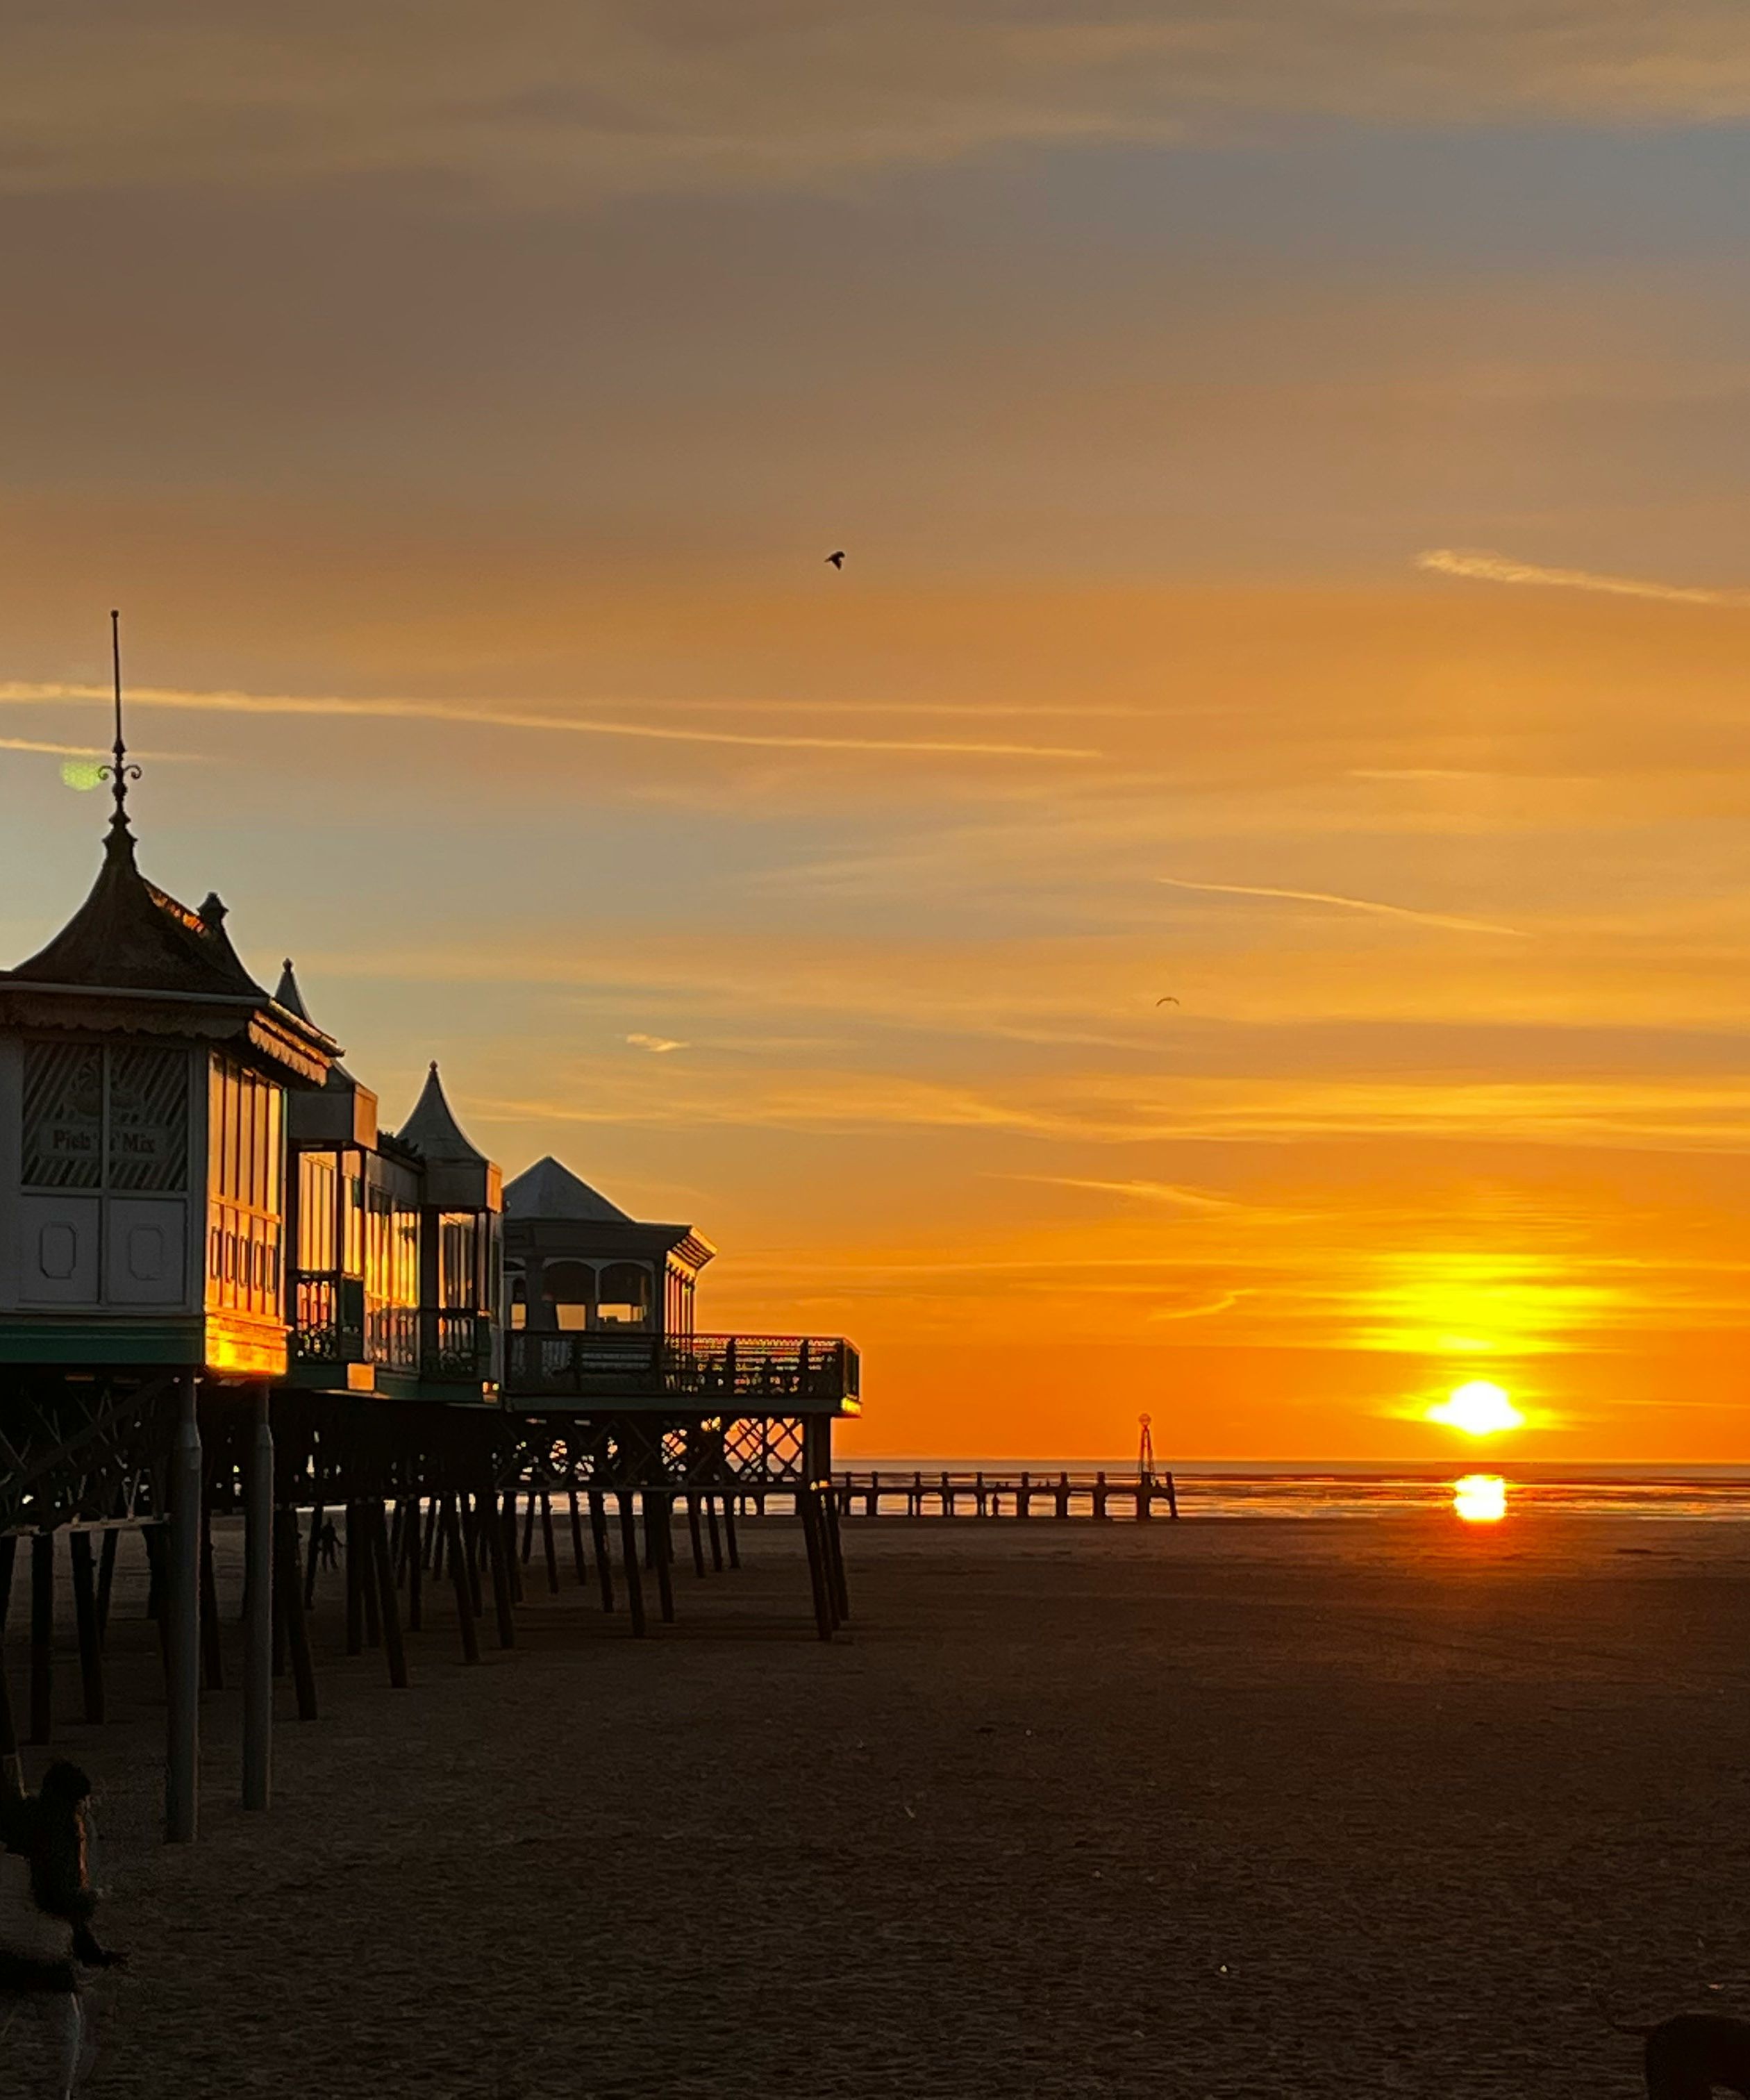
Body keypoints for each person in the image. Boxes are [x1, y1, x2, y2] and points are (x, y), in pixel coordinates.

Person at [0, 1761, 124, 2097]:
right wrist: (90, 1902)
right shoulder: (63, 1832)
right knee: (68, 2031)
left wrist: (92, 1951)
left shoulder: (22, 1819)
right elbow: (54, 1898)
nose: (86, 1806)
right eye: (83, 1799)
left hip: (5, 1942)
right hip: (40, 1949)